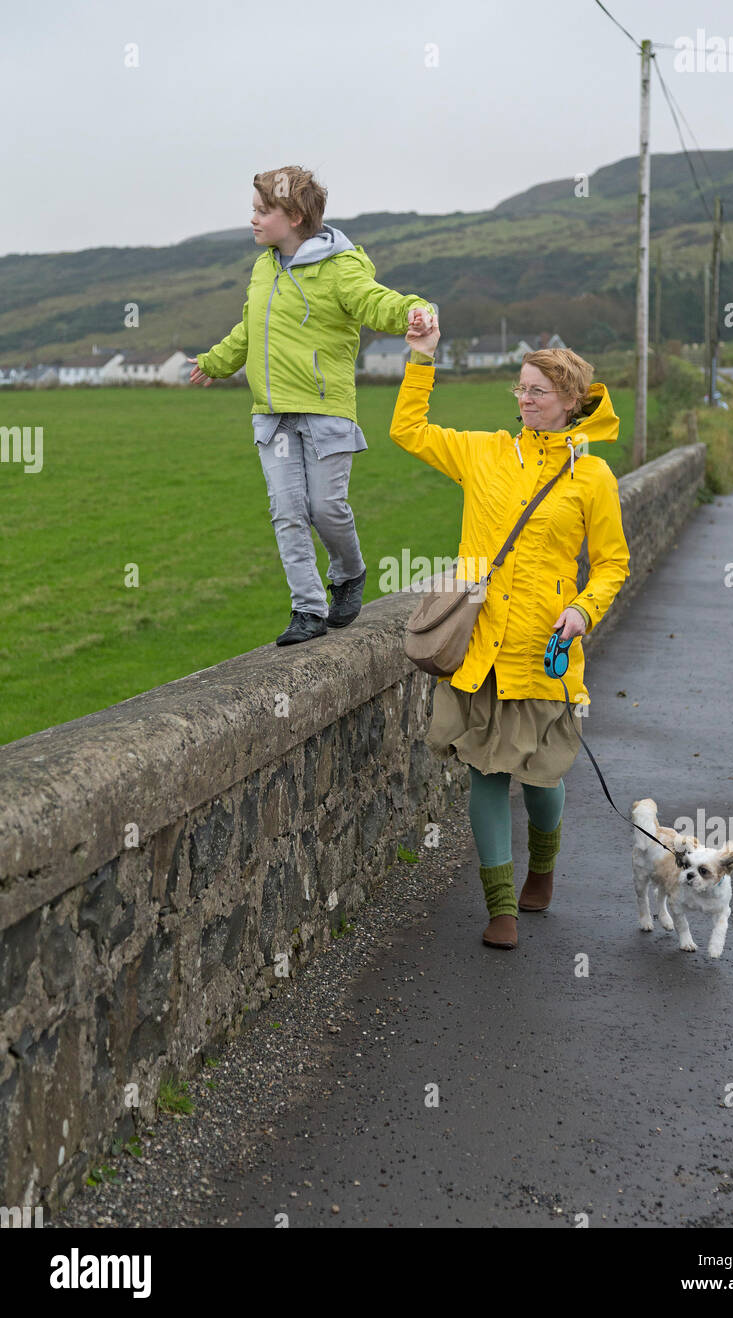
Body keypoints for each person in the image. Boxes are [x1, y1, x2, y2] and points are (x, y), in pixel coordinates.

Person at [391, 313, 630, 950]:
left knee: (543, 779)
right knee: (484, 774)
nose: (523, 401)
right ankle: (500, 908)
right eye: (519, 390)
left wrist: (582, 611)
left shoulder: (593, 477)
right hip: (479, 648)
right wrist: (421, 357)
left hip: (544, 651)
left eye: (536, 392)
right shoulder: (485, 451)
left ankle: (543, 868)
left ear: (571, 401)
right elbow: (407, 430)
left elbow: (612, 564)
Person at [188, 165, 435, 645]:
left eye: (264, 211)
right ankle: (307, 609)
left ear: (296, 216)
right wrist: (217, 362)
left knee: (325, 507)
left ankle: (349, 571)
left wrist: (413, 310)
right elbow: (249, 329)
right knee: (287, 510)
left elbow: (374, 302)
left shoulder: (341, 267)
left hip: (326, 410)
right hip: (273, 415)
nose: (254, 219)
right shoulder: (263, 267)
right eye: (255, 209)